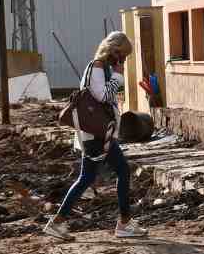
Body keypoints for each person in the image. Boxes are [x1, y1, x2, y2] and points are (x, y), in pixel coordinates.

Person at [43, 32, 150, 241]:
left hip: (96, 134)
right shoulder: (98, 67)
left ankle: (58, 222)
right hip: (97, 135)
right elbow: (103, 95)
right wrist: (118, 76)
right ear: (114, 51)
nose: (123, 60)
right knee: (122, 171)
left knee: (87, 178)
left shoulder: (102, 68)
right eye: (123, 55)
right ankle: (124, 223)